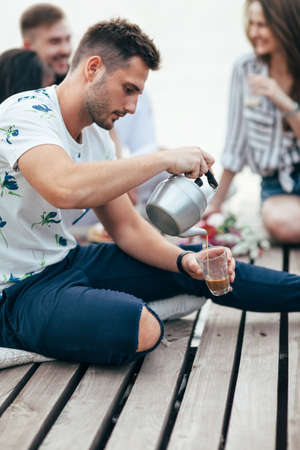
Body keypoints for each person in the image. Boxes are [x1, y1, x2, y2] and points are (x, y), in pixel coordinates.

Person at [1, 18, 300, 368]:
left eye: (139, 93)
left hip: (67, 260)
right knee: (142, 327)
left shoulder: (96, 138)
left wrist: (181, 262)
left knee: (197, 264)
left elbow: (126, 228)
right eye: (129, 89)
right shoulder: (24, 114)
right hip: (16, 291)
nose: (132, 108)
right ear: (93, 68)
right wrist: (162, 159)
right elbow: (64, 187)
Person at [203, 0, 300, 243]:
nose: (253, 32)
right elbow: (236, 144)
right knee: (279, 222)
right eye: (251, 23)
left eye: (262, 25)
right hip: (278, 187)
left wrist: (283, 101)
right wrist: (216, 203)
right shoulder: (245, 69)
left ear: (284, 26)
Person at [20, 3, 72, 84]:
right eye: (55, 42)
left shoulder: (80, 86)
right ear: (28, 46)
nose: (66, 50)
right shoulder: (9, 88)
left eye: (68, 39)